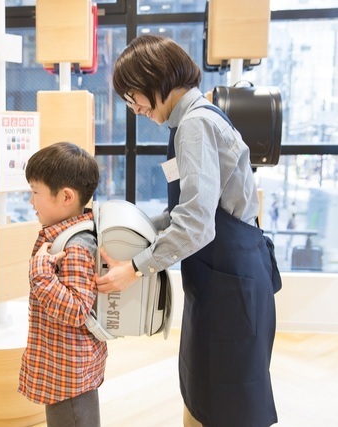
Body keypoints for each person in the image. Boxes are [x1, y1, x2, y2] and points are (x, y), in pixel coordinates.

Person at [96, 35, 282, 427]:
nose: (135, 108)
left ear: (156, 78)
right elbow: (184, 212)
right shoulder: (190, 121)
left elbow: (196, 224)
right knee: (207, 391)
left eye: (133, 97)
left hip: (230, 284)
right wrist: (135, 230)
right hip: (221, 278)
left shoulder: (195, 125)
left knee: (227, 402)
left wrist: (136, 267)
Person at [18, 142, 107, 427]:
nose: (31, 201)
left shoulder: (75, 246)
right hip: (64, 371)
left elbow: (77, 309)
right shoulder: (65, 236)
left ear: (66, 196)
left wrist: (40, 273)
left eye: (35, 192)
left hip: (69, 377)